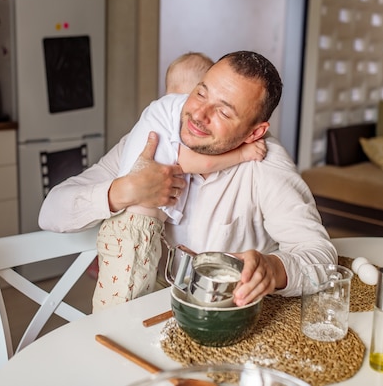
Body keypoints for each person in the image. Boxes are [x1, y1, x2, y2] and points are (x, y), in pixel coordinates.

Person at [39, 50, 337, 308]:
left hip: (224, 328)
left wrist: (273, 268)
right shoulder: (150, 144)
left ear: (254, 133)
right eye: (200, 93)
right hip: (142, 320)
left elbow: (322, 259)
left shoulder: (265, 165)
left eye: (223, 111)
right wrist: (124, 190)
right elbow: (51, 212)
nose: (198, 114)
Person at [93, 62, 266, 311]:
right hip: (133, 228)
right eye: (200, 95)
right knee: (121, 302)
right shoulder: (171, 114)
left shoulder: (168, 111)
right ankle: (105, 339)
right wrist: (243, 153)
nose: (199, 114)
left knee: (131, 297)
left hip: (138, 227)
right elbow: (194, 162)